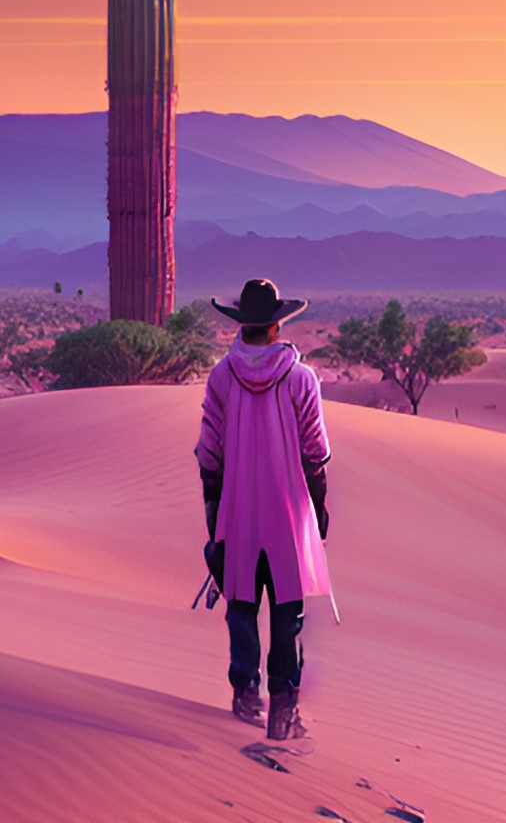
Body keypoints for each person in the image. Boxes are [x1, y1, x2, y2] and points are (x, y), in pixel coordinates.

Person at [195, 277, 332, 741]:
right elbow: (315, 451)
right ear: (276, 326)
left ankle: (245, 695)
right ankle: (283, 710)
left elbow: (209, 454)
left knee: (242, 606)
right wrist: (320, 503)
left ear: (242, 325)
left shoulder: (221, 376)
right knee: (287, 613)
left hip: (238, 509)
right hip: (288, 512)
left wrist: (213, 511)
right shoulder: (300, 379)